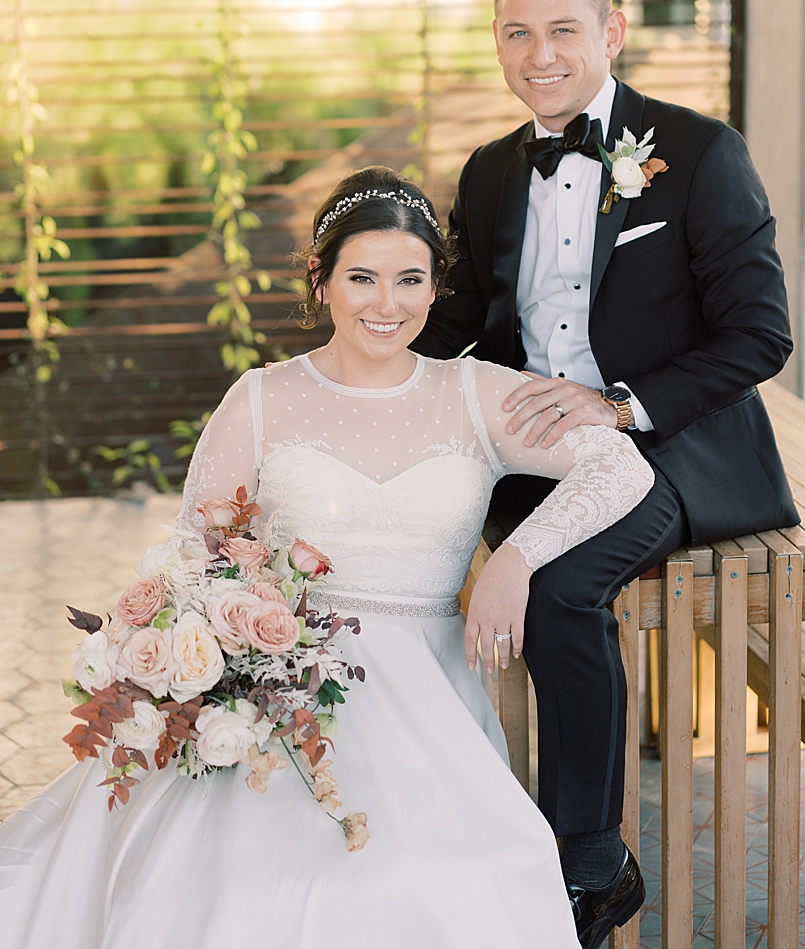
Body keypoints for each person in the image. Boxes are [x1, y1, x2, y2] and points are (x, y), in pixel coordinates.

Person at [0, 166, 656, 949]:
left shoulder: (473, 393)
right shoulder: (262, 397)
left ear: (436, 285)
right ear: (321, 279)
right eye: (363, 278)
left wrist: (516, 558)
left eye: (410, 279)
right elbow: (193, 552)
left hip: (429, 702)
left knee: (443, 881)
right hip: (285, 692)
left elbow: (622, 466)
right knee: (264, 883)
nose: (388, 303)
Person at [413, 0, 797, 946]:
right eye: (517, 32)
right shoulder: (492, 170)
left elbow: (761, 334)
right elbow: (464, 315)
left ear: (611, 32)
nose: (539, 54)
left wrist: (621, 406)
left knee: (556, 585)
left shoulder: (700, 151)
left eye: (562, 30)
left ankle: (585, 855)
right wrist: (356, 377)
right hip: (527, 450)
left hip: (668, 446)